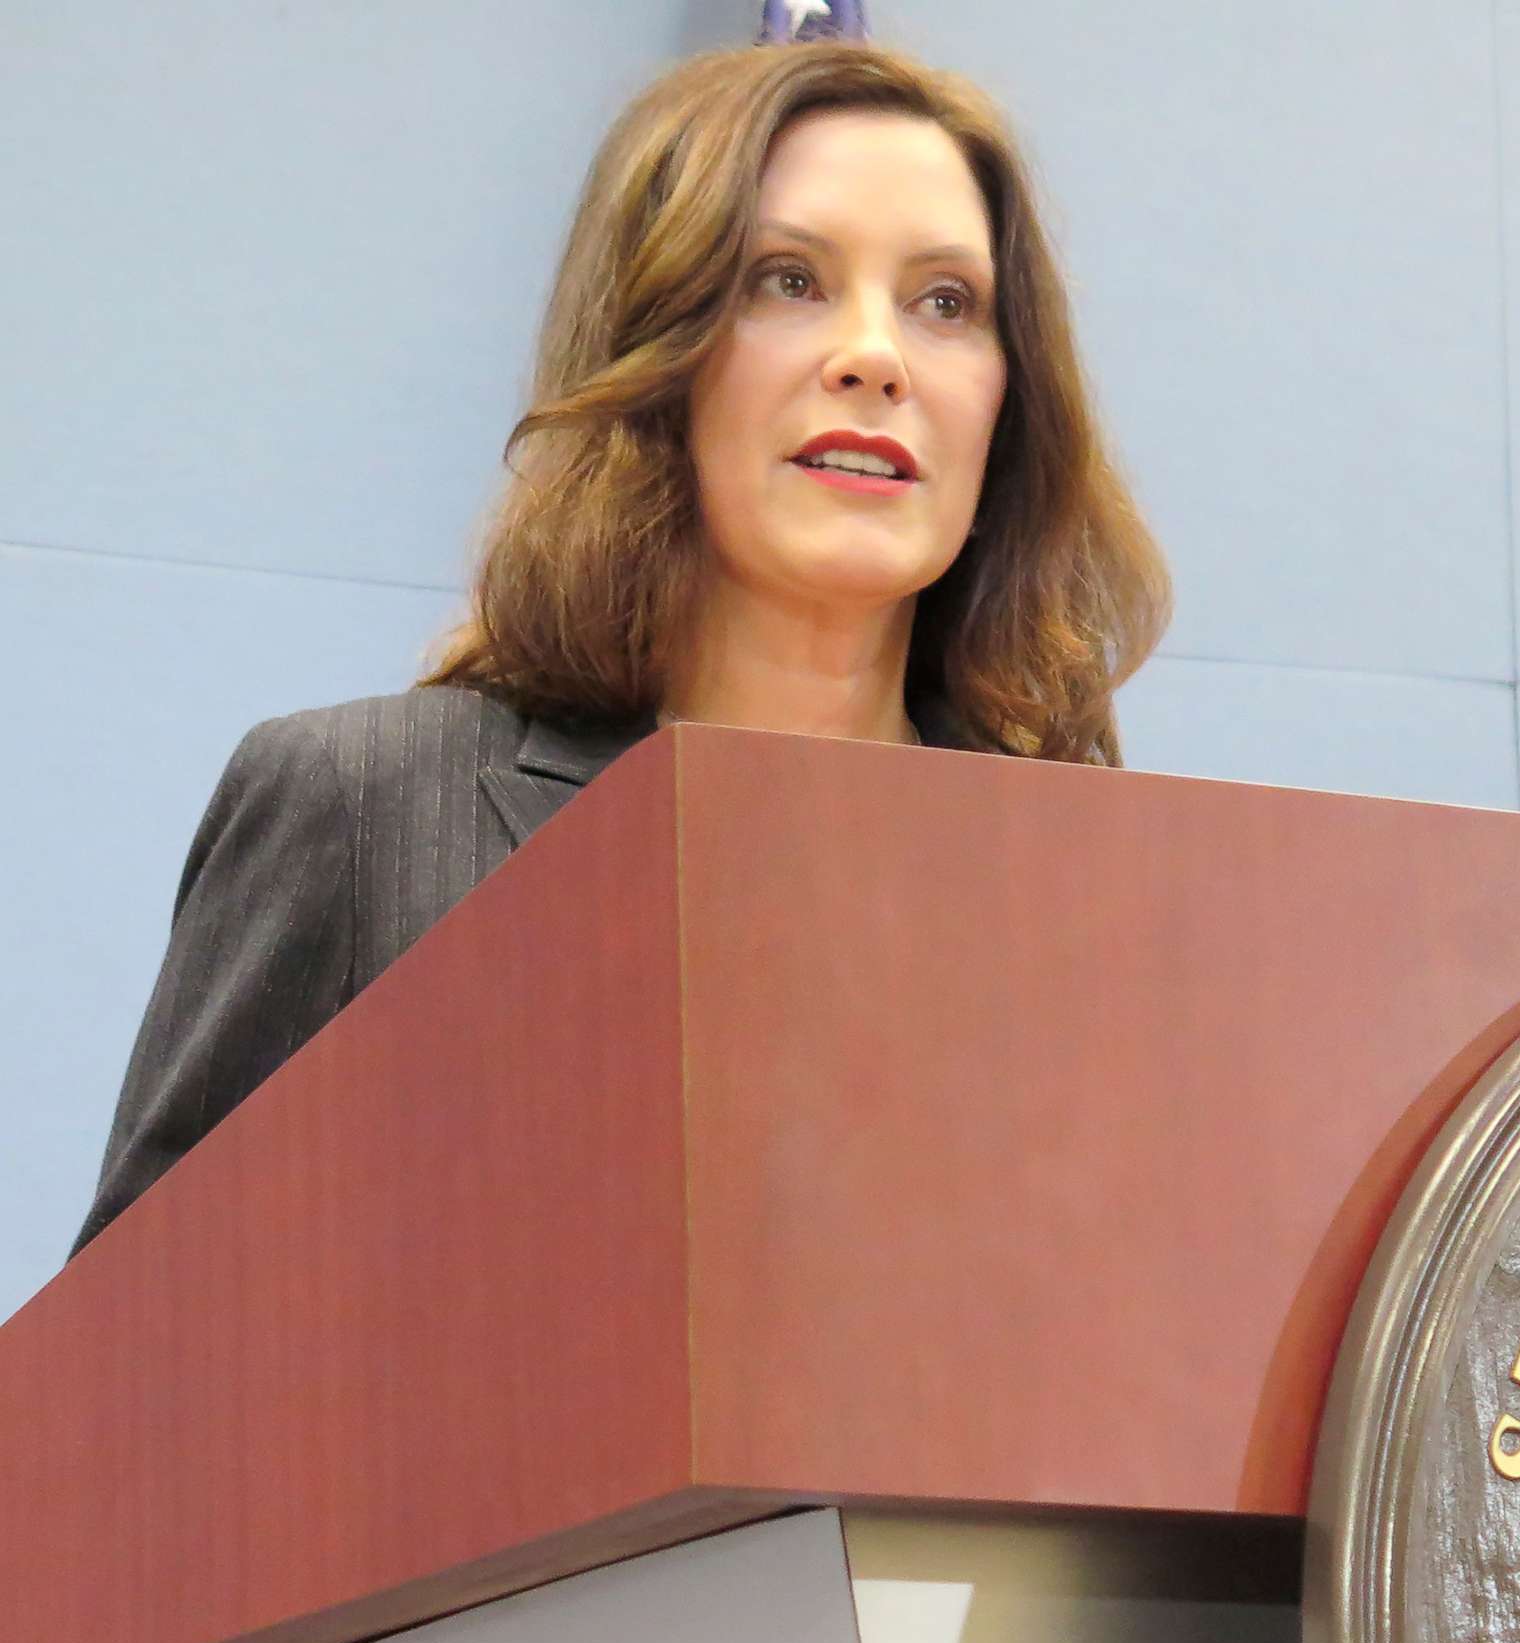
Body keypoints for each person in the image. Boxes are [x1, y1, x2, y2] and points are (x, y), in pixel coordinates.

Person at [69, 40, 1169, 1255]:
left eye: (946, 303)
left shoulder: (1087, 895)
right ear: (656, 349)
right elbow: (133, 1385)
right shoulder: (364, 811)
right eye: (786, 279)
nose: (876, 355)